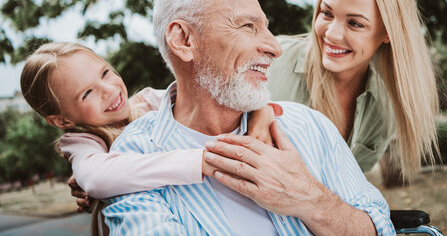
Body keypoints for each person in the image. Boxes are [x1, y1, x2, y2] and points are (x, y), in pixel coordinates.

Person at [102, 0, 394, 235]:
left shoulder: (308, 125)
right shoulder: (132, 157)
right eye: (247, 26)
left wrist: (311, 200)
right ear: (184, 40)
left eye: (266, 28)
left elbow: (381, 229)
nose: (274, 47)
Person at [19, 42, 278, 203]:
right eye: (87, 93)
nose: (108, 89)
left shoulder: (155, 101)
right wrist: (202, 161)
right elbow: (97, 178)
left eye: (105, 73)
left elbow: (227, 101)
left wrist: (261, 114)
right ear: (62, 120)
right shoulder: (85, 141)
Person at [266, 0, 440, 179]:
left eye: (355, 23)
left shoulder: (385, 107)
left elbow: (345, 189)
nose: (332, 34)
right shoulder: (271, 61)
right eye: (326, 13)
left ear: (388, 32)